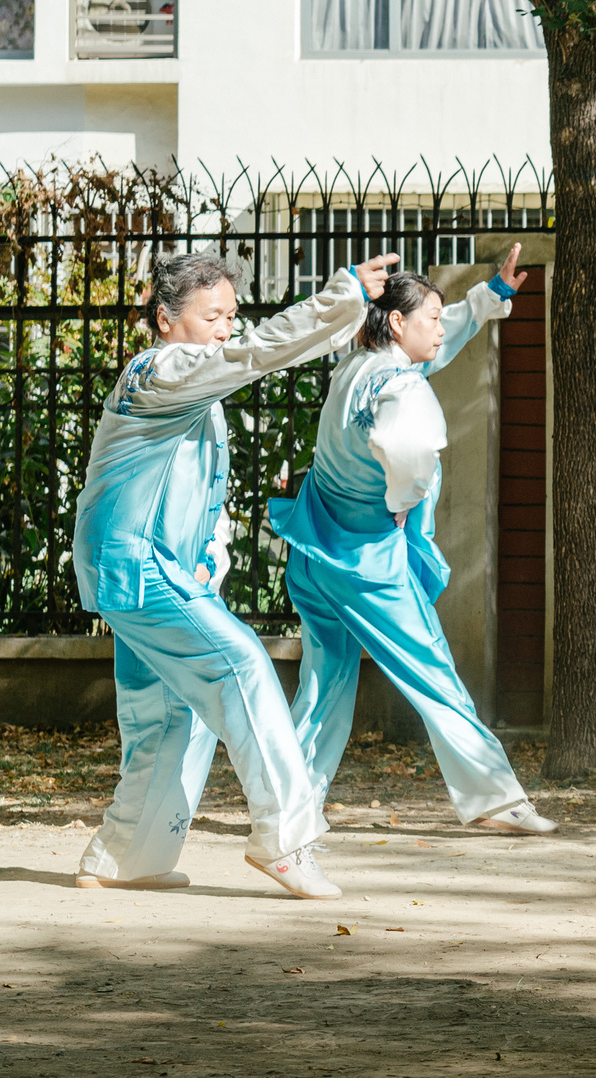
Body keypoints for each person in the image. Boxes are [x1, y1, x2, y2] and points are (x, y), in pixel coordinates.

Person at [72, 246, 402, 900]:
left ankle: (125, 856)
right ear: (165, 320)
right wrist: (342, 297)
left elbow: (187, 480)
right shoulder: (162, 368)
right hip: (138, 566)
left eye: (231, 315)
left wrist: (205, 555)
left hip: (137, 567)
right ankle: (285, 838)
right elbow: (257, 353)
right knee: (244, 667)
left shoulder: (188, 382)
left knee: (168, 714)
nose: (226, 329)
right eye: (212, 315)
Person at [269, 247, 555, 836]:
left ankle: (286, 801)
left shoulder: (358, 365)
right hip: (367, 559)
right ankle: (494, 799)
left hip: (315, 547)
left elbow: (438, 339)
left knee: (327, 678)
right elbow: (411, 452)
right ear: (396, 323)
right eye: (429, 316)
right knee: (431, 669)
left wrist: (489, 295)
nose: (439, 327)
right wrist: (401, 502)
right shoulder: (401, 385)